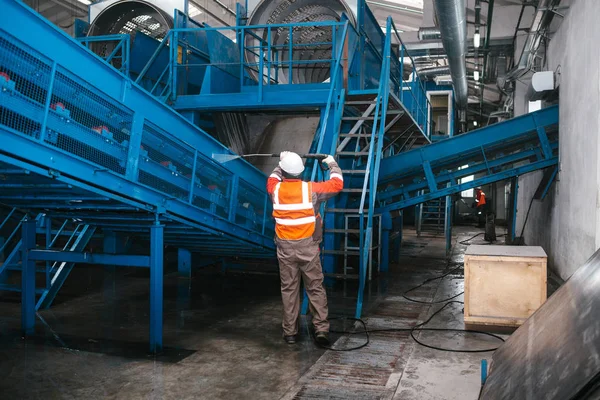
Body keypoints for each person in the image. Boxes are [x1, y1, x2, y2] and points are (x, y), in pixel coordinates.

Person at [266, 151, 343, 345]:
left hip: (284, 248)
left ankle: (290, 332)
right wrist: (331, 163)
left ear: (284, 173)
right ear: (301, 172)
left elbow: (272, 178)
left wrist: (281, 160)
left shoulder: (275, 190)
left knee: (289, 289)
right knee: (315, 287)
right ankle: (321, 331)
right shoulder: (311, 190)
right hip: (308, 247)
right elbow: (337, 184)